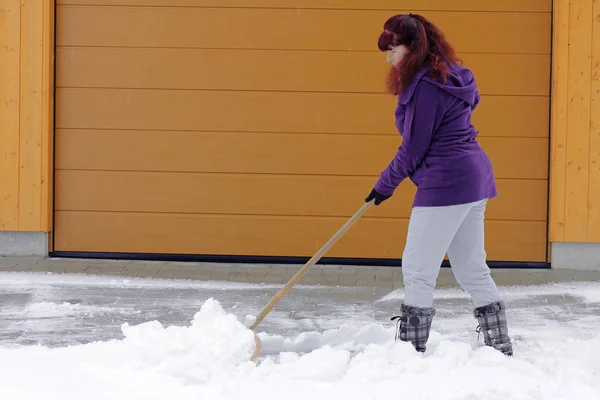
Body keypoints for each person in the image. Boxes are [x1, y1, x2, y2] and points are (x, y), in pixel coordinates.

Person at [365, 13, 513, 356]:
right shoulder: (451, 75)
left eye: (392, 49)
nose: (388, 57)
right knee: (472, 268)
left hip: (447, 183)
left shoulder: (426, 86)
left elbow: (414, 147)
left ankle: (410, 349)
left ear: (412, 48)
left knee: (417, 269)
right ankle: (499, 344)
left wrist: (384, 186)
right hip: (474, 178)